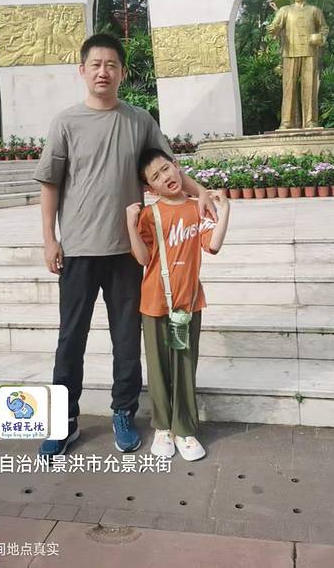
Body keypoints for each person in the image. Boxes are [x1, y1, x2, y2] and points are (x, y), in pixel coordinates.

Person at [35, 33, 216, 458]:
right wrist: (49, 240)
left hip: (128, 253)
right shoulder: (66, 123)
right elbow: (50, 184)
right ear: (82, 70)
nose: (104, 71)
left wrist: (201, 193)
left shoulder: (139, 120)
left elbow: (168, 169)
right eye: (96, 64)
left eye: (112, 65)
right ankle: (64, 422)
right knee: (70, 340)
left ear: (122, 72)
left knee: (127, 340)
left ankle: (123, 413)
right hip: (79, 250)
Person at [126, 149, 230, 461]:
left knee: (183, 365)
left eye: (166, 169)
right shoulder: (150, 214)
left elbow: (213, 245)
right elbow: (143, 259)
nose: (165, 178)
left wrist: (225, 211)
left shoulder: (196, 208)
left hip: (186, 303)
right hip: (154, 302)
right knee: (159, 367)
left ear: (177, 167)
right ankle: (162, 427)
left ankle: (184, 428)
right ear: (150, 188)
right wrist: (131, 224)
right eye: (155, 177)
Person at [267, 0, 329, 130]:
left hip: (310, 51)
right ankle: (287, 121)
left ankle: (310, 121)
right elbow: (275, 26)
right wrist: (272, 29)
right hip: (290, 52)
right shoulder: (285, 10)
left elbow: (324, 28)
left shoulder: (314, 10)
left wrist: (321, 37)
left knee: (310, 87)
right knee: (289, 88)